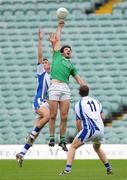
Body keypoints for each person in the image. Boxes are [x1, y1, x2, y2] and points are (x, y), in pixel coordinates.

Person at [48, 20, 86, 151]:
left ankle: (62, 140)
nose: (69, 51)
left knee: (64, 116)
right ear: (62, 52)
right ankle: (52, 137)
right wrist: (59, 26)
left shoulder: (71, 65)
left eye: (70, 50)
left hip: (65, 88)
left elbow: (78, 79)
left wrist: (84, 87)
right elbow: (58, 39)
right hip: (54, 86)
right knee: (53, 115)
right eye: (66, 49)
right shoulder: (57, 56)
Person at [16, 29, 50, 167]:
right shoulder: (41, 72)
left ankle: (21, 153)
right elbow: (40, 55)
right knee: (46, 116)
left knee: (37, 131)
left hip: (46, 103)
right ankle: (30, 135)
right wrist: (40, 40)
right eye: (45, 62)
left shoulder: (53, 76)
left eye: (47, 62)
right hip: (38, 101)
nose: (46, 64)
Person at [60, 85, 113, 175]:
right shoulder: (97, 101)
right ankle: (109, 168)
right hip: (100, 130)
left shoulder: (79, 104)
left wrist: (80, 133)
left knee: (73, 147)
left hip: (89, 130)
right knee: (97, 148)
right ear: (88, 92)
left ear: (79, 93)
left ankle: (67, 170)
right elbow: (102, 117)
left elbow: (78, 121)